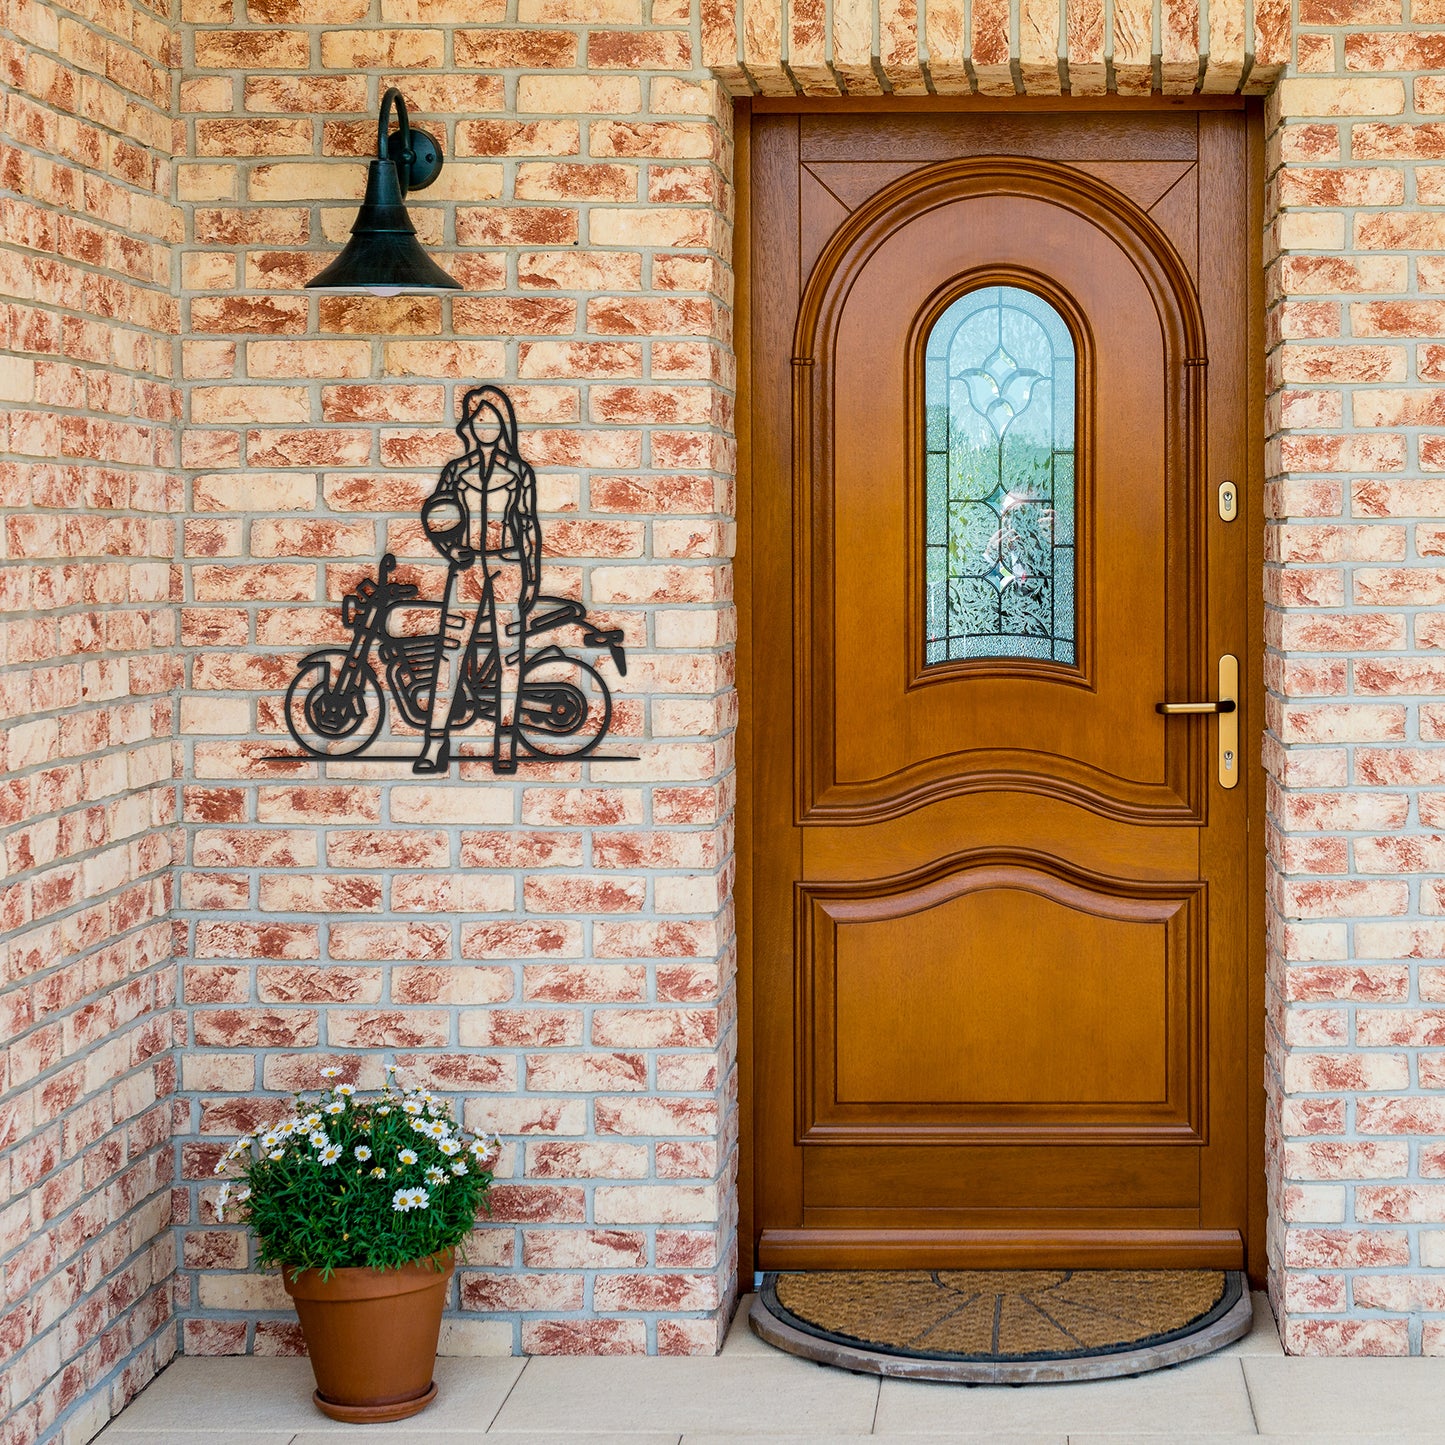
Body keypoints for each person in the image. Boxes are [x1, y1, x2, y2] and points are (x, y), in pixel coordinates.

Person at [414, 385, 541, 774]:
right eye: (478, 420)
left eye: (491, 420)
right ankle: (435, 745)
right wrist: (451, 552)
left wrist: (532, 576)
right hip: (467, 568)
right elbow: (434, 516)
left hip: (508, 567)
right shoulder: (456, 470)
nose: (485, 427)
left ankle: (505, 746)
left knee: (510, 657)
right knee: (449, 654)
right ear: (469, 425)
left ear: (502, 425)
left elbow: (528, 524)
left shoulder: (520, 472)